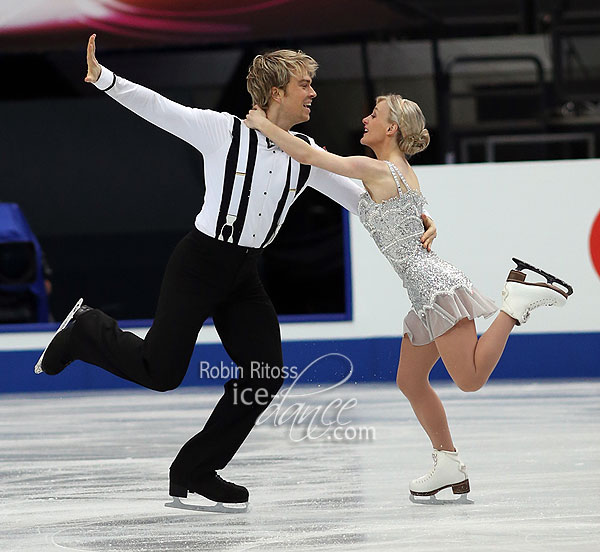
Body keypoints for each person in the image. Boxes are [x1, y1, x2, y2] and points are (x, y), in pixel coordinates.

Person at [34, 36, 438, 508]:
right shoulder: (221, 131)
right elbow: (160, 109)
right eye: (304, 85)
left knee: (264, 376)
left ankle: (197, 468)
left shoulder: (304, 152)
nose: (313, 93)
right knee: (161, 372)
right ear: (275, 92)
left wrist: (417, 217)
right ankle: (87, 329)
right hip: (200, 263)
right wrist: (104, 78)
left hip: (244, 275)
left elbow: (363, 198)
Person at [244, 95, 572, 502]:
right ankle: (448, 462)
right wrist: (427, 221)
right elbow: (403, 210)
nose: (364, 119)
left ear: (391, 128)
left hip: (433, 287)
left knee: (468, 380)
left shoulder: (376, 168)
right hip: (423, 289)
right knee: (410, 380)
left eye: (374, 115)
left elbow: (306, 155)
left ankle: (515, 302)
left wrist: (262, 123)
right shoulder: (400, 172)